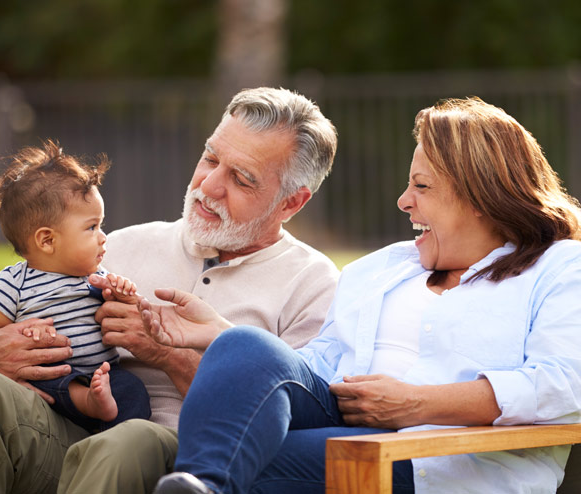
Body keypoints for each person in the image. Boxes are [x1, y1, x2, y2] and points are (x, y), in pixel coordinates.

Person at [142, 97, 581, 494]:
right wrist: (230, 342)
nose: (403, 201)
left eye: (422, 187)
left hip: (445, 460)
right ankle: (204, 487)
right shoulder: (382, 268)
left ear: (480, 198)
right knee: (243, 344)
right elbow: (323, 362)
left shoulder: (558, 268)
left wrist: (415, 404)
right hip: (344, 417)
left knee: (251, 460)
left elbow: (565, 384)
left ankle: (205, 485)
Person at [0, 86, 340, 494]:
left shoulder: (313, 285)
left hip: (179, 459)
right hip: (71, 427)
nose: (210, 185)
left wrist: (165, 355)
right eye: (210, 158)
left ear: (291, 203)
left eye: (241, 179)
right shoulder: (118, 244)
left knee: (130, 440)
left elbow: (289, 422)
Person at [0, 140, 150, 433]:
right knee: (52, 381)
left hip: (103, 374)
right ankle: (90, 403)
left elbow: (121, 315)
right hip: (54, 383)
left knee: (132, 389)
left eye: (101, 225)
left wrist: (122, 294)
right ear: (47, 240)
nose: (103, 237)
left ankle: (113, 438)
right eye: (91, 227)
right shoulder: (14, 282)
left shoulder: (94, 276)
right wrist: (28, 331)